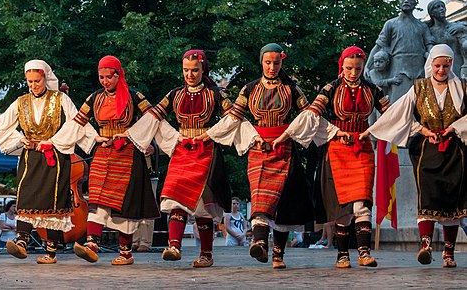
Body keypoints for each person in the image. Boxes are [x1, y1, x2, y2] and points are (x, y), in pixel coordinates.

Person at [0, 60, 97, 264]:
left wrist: (94, 138)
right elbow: (2, 123)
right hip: (31, 155)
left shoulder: (60, 98)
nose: (33, 85)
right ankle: (21, 242)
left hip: (54, 155)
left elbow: (76, 120)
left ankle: (51, 251)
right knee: (26, 197)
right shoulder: (21, 102)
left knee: (54, 203)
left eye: (37, 81)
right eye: (29, 81)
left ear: (45, 78)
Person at [198, 43, 314, 269]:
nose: (272, 67)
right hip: (258, 147)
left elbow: (308, 115)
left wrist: (289, 133)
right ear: (261, 62)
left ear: (282, 62)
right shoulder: (248, 89)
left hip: (284, 148)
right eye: (268, 63)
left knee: (283, 201)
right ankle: (260, 243)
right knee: (261, 196)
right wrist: (209, 134)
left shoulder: (292, 89)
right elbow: (234, 117)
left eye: (276, 63)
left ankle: (278, 254)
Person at [275, 46, 390, 268]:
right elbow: (311, 114)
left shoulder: (372, 90)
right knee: (343, 206)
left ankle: (364, 253)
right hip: (338, 148)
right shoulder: (331, 88)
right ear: (342, 66)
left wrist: (371, 131)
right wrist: (287, 135)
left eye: (357, 68)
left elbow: (392, 114)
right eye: (349, 68)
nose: (353, 72)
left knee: (362, 202)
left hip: (363, 147)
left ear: (363, 66)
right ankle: (343, 254)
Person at [362, 44, 467, 268]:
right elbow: (399, 113)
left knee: (452, 199)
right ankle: (425, 245)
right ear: (431, 65)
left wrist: (453, 128)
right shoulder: (419, 88)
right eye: (437, 65)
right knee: (427, 194)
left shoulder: (462, 88)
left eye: (446, 65)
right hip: (426, 150)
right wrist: (423, 130)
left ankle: (449, 253)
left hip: (455, 151)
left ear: (451, 65)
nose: (441, 70)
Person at [125, 49, 233, 268]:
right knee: (174, 194)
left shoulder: (215, 94)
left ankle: (206, 254)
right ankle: (174, 246)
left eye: (194, 70)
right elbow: (154, 116)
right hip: (182, 151)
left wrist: (210, 133)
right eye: (186, 70)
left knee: (202, 204)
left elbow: (234, 116)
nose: (190, 75)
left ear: (204, 69)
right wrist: (132, 137)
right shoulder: (175, 94)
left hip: (206, 151)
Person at [52, 55, 160, 266]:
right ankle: (92, 244)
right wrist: (93, 137)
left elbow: (153, 119)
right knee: (97, 197)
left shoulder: (134, 96)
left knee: (123, 204)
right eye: (101, 77)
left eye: (108, 77)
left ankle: (126, 252)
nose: (104, 81)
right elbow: (78, 122)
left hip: (128, 154)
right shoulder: (94, 98)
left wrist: (136, 137)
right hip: (104, 152)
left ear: (118, 75)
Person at [366, 0, 434, 103]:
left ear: (415, 3)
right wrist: (368, 66)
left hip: (420, 70)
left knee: (420, 104)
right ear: (399, 3)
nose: (406, 1)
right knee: (398, 104)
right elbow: (379, 46)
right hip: (398, 70)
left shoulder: (422, 26)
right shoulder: (390, 24)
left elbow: (429, 45)